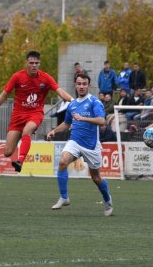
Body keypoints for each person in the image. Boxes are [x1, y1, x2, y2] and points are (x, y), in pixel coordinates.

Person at [0, 50, 73, 172]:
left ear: (39, 63)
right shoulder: (17, 77)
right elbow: (3, 96)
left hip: (35, 114)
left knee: (27, 131)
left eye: (37, 63)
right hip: (17, 116)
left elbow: (60, 92)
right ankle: (23, 139)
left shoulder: (45, 78)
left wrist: (74, 101)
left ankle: (20, 161)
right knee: (7, 152)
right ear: (26, 63)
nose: (34, 65)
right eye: (31, 63)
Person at [46, 74, 113, 216]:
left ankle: (107, 200)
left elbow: (102, 121)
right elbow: (67, 123)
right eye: (79, 84)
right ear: (75, 85)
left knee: (96, 178)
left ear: (88, 85)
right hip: (75, 141)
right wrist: (54, 131)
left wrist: (83, 118)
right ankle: (64, 197)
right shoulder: (72, 104)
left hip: (91, 145)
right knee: (63, 162)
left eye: (84, 84)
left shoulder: (94, 102)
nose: (81, 86)